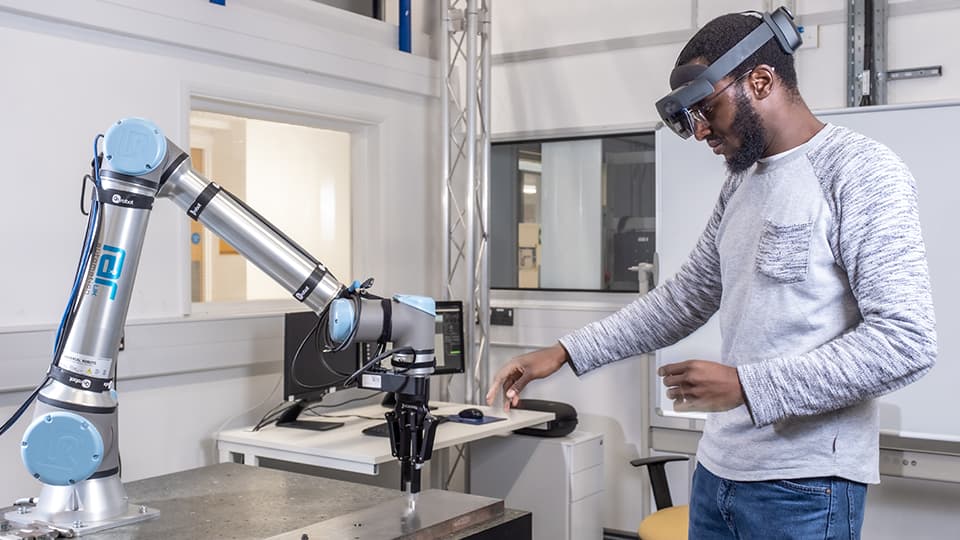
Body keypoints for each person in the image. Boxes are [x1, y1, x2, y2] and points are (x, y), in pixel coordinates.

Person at [486, 10, 937, 540]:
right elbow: (686, 297)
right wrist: (563, 352)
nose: (700, 131)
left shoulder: (859, 171)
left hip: (807, 485)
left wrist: (746, 385)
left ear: (761, 81)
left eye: (707, 109)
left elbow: (906, 341)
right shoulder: (741, 184)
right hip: (719, 472)